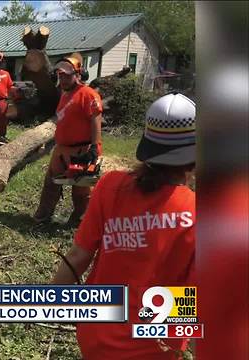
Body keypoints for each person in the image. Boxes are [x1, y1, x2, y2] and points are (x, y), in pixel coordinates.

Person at [51, 93, 196, 359]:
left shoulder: (111, 186)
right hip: (154, 349)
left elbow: (78, 255)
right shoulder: (197, 212)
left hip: (96, 336)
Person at [32, 53, 103, 227]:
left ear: (77, 74)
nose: (62, 79)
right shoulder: (65, 94)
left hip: (81, 150)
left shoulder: (88, 95)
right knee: (51, 184)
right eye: (60, 75)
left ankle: (80, 222)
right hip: (62, 149)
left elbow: (95, 121)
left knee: (81, 189)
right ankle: (42, 218)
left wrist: (94, 147)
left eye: (66, 75)